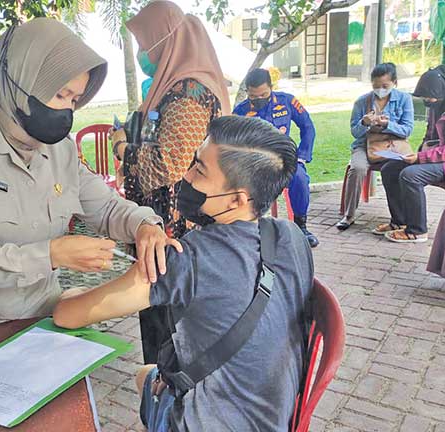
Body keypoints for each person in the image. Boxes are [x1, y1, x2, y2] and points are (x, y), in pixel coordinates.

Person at [0, 18, 173, 337]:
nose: (67, 112)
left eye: (75, 100)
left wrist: (144, 226)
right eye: (60, 95)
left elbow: (108, 209)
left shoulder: (61, 152)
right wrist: (49, 255)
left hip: (39, 324)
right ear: (21, 82)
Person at [54, 116, 313, 431]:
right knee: (155, 374)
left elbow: (68, 315)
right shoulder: (291, 237)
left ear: (238, 199)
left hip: (204, 423)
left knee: (142, 375)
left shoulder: (188, 258)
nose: (185, 177)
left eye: (200, 170)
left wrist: (65, 279)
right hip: (274, 417)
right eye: (194, 162)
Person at [110, 0, 230, 364]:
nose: (143, 54)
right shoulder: (173, 87)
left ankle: (171, 405)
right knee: (161, 320)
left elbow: (171, 162)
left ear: (166, 43)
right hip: (166, 227)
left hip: (180, 233)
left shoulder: (191, 92)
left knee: (171, 331)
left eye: (147, 45)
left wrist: (121, 148)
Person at [376, 65, 445, 243]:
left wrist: (421, 158)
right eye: (425, 98)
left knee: (411, 175)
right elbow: (430, 135)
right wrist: (417, 153)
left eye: (430, 97)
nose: (428, 101)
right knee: (390, 168)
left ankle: (417, 231)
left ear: (443, 92)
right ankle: (399, 221)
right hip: (440, 156)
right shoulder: (437, 103)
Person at [233, 68, 319, 247]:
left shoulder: (287, 101)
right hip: (256, 164)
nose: (259, 100)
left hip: (284, 160)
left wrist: (302, 156)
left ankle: (300, 227)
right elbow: (233, 142)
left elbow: (308, 127)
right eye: (253, 97)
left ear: (271, 87)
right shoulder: (240, 111)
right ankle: (252, 230)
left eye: (263, 94)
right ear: (247, 92)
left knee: (300, 178)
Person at [337, 63, 415, 230]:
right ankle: (349, 215)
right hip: (365, 145)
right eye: (376, 86)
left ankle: (401, 218)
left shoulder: (404, 99)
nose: (380, 89)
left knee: (399, 170)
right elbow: (355, 132)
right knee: (357, 168)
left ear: (395, 82)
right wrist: (364, 123)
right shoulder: (362, 102)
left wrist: (388, 124)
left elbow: (407, 130)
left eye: (384, 86)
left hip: (393, 146)